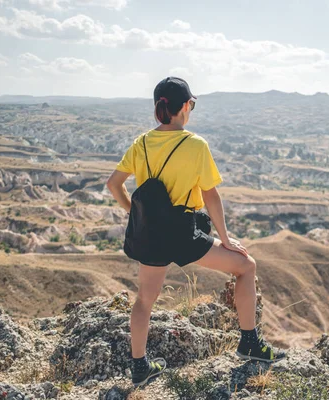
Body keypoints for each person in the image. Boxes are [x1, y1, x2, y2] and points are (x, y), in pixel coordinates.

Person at [106, 77, 285, 387]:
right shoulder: (195, 145)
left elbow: (113, 184)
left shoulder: (141, 143)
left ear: (158, 108)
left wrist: (135, 213)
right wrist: (226, 239)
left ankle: (139, 367)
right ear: (185, 107)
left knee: (145, 301)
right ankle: (249, 344)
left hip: (151, 235)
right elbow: (210, 196)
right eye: (192, 104)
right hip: (183, 233)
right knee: (246, 267)